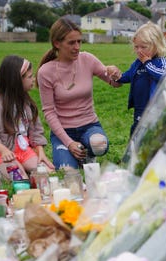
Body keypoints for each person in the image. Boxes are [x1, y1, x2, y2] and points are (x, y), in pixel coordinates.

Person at [37, 17, 121, 170]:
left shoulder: (87, 59)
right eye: (71, 43)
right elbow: (49, 112)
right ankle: (75, 155)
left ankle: (88, 154)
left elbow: (115, 83)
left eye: (79, 42)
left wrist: (116, 74)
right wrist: (69, 143)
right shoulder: (45, 72)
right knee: (66, 170)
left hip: (89, 126)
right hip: (63, 131)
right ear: (57, 43)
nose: (77, 47)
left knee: (99, 145)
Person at [0, 55, 54, 181]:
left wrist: (40, 152)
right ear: (16, 80)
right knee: (21, 180)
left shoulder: (27, 104)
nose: (33, 80)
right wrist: (3, 151)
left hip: (25, 152)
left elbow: (36, 131)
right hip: (4, 154)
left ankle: (23, 167)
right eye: (30, 77)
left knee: (48, 173)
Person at [110, 21, 166, 137]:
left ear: (156, 45)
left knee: (152, 134)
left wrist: (147, 63)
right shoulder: (137, 63)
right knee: (136, 132)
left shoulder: (161, 61)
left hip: (154, 107)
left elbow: (163, 75)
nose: (139, 51)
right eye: (136, 47)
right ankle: (134, 152)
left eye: (143, 47)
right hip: (140, 106)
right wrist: (118, 77)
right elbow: (129, 75)